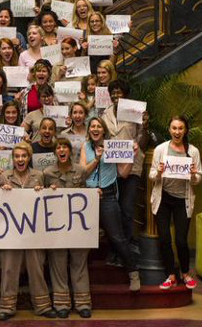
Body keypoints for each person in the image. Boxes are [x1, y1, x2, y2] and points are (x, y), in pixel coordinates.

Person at [79, 117, 141, 292]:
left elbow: (123, 173)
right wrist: (97, 159)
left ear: (104, 130)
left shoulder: (113, 147)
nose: (96, 129)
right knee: (83, 237)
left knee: (118, 237)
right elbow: (83, 173)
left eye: (99, 126)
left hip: (108, 196)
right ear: (89, 130)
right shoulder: (85, 147)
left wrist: (131, 158)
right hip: (88, 196)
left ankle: (134, 273)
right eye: (92, 126)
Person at [0, 142, 56, 320]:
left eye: (23, 156)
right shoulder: (5, 177)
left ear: (29, 157)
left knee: (37, 267)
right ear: (13, 159)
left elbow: (47, 201)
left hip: (34, 232)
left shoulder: (39, 175)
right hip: (11, 232)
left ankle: (42, 306)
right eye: (17, 156)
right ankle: (7, 307)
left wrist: (45, 191)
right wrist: (2, 191)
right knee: (9, 268)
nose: (20, 159)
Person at [149, 116, 202, 290]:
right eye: (174, 128)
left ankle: (185, 274)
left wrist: (194, 174)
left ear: (185, 130)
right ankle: (171, 275)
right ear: (169, 130)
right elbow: (151, 176)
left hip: (182, 201)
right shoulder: (160, 149)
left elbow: (198, 178)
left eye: (180, 128)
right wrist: (158, 171)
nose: (177, 132)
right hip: (163, 198)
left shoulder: (193, 151)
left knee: (180, 240)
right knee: (164, 238)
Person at [43, 137, 92, 318]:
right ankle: (62, 303)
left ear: (70, 152)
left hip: (78, 226)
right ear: (55, 152)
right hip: (56, 226)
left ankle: (83, 303)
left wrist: (95, 194)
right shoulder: (47, 173)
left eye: (65, 147)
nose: (62, 150)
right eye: (59, 147)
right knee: (58, 263)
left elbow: (86, 192)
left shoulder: (80, 170)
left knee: (79, 263)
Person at [101, 79, 149, 258]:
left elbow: (142, 140)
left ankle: (126, 249)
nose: (115, 95)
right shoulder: (104, 114)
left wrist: (144, 127)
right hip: (111, 167)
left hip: (131, 167)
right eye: (113, 92)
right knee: (113, 210)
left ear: (125, 94)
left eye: (119, 92)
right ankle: (116, 249)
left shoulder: (135, 111)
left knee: (127, 209)